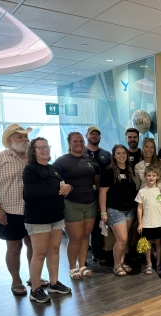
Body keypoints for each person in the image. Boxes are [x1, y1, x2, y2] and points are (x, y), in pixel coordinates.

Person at [0, 124, 36, 296]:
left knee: (34, 246)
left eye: (26, 137)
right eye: (19, 137)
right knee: (14, 248)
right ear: (9, 140)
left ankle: (33, 277)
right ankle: (16, 280)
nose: (24, 140)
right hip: (10, 211)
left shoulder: (35, 157)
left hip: (34, 211)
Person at [23, 137, 73, 303]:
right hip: (38, 219)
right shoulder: (30, 170)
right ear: (34, 151)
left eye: (47, 146)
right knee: (40, 253)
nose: (45, 149)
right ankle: (35, 289)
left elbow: (63, 186)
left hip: (56, 216)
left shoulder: (54, 169)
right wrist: (58, 188)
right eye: (40, 147)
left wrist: (69, 187)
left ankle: (53, 283)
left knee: (54, 250)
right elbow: (31, 194)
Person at [53, 132, 101, 280]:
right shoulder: (62, 161)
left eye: (81, 141)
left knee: (86, 235)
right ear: (69, 143)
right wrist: (65, 186)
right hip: (72, 204)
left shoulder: (91, 160)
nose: (79, 143)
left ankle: (82, 265)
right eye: (75, 141)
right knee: (75, 238)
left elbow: (97, 181)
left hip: (91, 203)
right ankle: (72, 267)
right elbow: (53, 179)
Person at [99, 144, 137, 277]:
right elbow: (103, 192)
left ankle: (121, 262)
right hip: (115, 210)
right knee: (122, 239)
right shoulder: (109, 170)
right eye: (118, 153)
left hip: (129, 209)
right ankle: (116, 265)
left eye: (124, 153)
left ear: (127, 156)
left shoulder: (130, 169)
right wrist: (103, 212)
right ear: (114, 155)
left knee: (124, 240)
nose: (121, 156)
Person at [85, 125, 112, 264]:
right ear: (87, 136)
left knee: (98, 225)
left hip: (102, 194)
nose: (94, 136)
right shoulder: (80, 152)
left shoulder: (106, 154)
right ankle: (81, 258)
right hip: (84, 194)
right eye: (91, 134)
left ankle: (97, 253)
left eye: (97, 134)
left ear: (100, 137)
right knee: (84, 227)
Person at [135, 165, 161, 275]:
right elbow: (139, 208)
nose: (151, 177)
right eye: (149, 175)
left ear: (157, 176)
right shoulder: (142, 192)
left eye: (153, 175)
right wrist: (140, 223)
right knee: (147, 244)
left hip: (158, 222)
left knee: (158, 243)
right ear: (145, 177)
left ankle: (158, 264)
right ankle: (149, 264)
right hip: (147, 223)